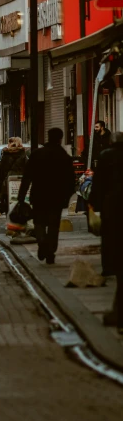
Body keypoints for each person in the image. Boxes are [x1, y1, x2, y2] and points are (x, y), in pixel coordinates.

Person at [18, 127, 75, 265]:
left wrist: (21, 196)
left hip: (39, 195)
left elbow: (27, 177)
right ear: (60, 138)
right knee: (54, 225)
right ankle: (50, 251)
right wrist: (67, 197)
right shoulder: (64, 156)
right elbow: (70, 180)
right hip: (57, 197)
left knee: (39, 222)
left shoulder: (37, 154)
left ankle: (42, 242)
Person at [90, 132, 123, 332]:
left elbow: (98, 183)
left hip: (112, 209)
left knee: (110, 241)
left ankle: (108, 267)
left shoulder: (105, 156)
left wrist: (93, 203)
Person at [0, 137, 28, 214]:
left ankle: (10, 219)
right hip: (22, 182)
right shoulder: (23, 154)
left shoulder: (6, 154)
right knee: (21, 200)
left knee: (8, 201)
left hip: (9, 182)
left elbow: (1, 170)